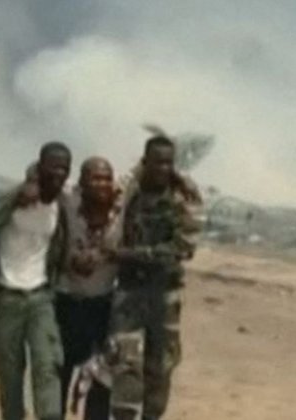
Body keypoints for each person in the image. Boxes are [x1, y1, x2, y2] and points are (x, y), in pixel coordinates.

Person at [0, 142, 72, 420]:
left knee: (47, 366)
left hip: (41, 297)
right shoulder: (12, 201)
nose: (58, 174)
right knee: (9, 373)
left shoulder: (62, 207)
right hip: (7, 297)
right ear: (40, 165)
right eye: (53, 166)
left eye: (64, 169)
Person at [104, 135, 203, 420]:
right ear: (145, 162)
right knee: (125, 365)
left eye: (169, 163)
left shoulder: (184, 197)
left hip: (164, 295)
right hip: (129, 292)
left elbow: (182, 249)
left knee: (160, 367)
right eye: (157, 162)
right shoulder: (129, 191)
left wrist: (130, 254)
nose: (164, 168)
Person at [53, 157, 123, 419]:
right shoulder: (68, 204)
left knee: (101, 381)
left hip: (102, 306)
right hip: (66, 304)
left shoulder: (122, 211)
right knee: (59, 372)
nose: (102, 184)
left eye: (106, 178)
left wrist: (109, 255)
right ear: (81, 183)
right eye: (95, 178)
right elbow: (39, 172)